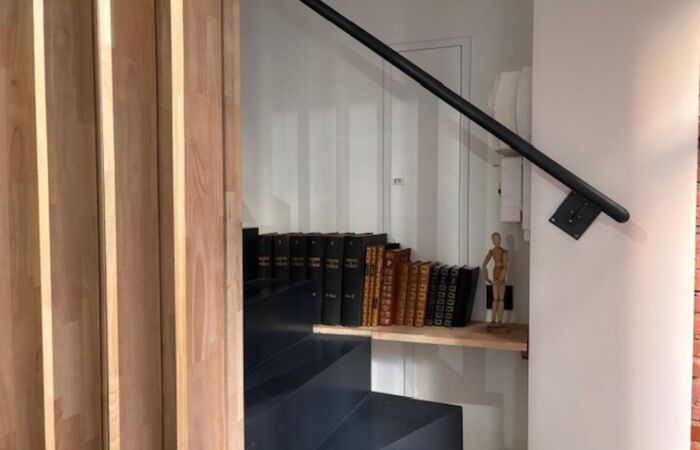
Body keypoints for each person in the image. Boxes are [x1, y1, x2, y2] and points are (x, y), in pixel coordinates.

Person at [482, 232, 508, 329]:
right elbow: (484, 265)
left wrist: (500, 279)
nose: (497, 241)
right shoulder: (492, 251)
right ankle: (493, 320)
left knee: (500, 299)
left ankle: (500, 320)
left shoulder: (504, 252)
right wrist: (486, 277)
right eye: (495, 239)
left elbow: (505, 267)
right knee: (495, 299)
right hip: (495, 273)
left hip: (500, 275)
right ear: (492, 241)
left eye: (498, 239)